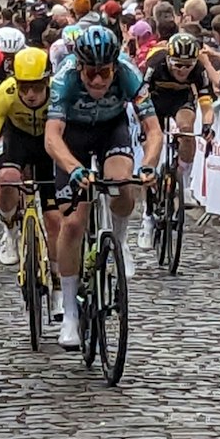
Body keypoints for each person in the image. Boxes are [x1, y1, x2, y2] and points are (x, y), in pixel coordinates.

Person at [45, 24, 159, 348]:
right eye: (91, 72)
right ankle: (68, 312)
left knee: (122, 184)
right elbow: (52, 137)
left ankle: (118, 241)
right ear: (79, 66)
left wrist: (148, 163)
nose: (98, 80)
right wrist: (74, 168)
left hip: (112, 128)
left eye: (105, 72)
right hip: (73, 137)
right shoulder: (64, 79)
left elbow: (152, 130)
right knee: (73, 222)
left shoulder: (128, 73)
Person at [0, 46, 60, 268]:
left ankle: (56, 278)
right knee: (7, 177)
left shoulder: (59, 92)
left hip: (49, 143)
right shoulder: (4, 93)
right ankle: (10, 229)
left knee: (54, 218)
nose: (30, 94)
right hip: (17, 140)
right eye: (24, 87)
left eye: (37, 87)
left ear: (47, 81)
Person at [137, 30, 214, 235]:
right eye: (177, 64)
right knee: (151, 150)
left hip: (180, 100)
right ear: (168, 59)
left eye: (187, 65)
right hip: (154, 101)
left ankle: (185, 184)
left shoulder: (198, 69)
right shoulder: (156, 63)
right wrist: (142, 125)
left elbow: (206, 104)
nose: (182, 70)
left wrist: (207, 126)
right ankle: (147, 215)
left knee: (187, 130)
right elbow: (140, 97)